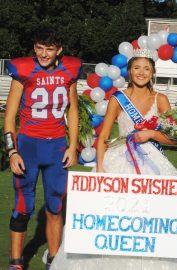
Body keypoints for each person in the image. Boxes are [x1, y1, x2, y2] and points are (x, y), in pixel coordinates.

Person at [51, 48, 177, 269]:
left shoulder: (160, 99)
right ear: (129, 71)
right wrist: (100, 168)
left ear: (153, 73)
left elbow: (174, 139)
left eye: (146, 69)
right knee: (116, 219)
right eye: (137, 68)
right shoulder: (118, 98)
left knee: (153, 219)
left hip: (153, 162)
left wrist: (151, 134)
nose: (141, 72)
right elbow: (102, 138)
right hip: (118, 160)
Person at [4, 25, 81, 270]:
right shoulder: (23, 70)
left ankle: (53, 259)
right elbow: (10, 114)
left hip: (57, 147)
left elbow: (74, 110)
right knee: (23, 207)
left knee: (55, 206)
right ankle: (16, 261)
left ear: (59, 50)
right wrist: (12, 150)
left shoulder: (69, 69)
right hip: (28, 146)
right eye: (39, 48)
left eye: (49, 49)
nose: (44, 54)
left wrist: (72, 146)